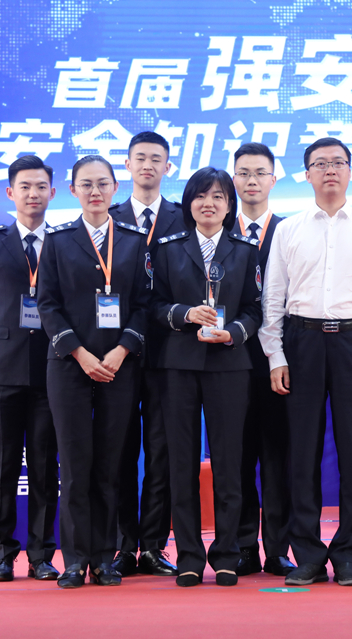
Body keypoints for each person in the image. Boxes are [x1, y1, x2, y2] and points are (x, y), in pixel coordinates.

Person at [260, 137, 352, 587]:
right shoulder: (289, 229)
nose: (330, 170)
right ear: (307, 174)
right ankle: (308, 555)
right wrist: (276, 354)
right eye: (320, 164)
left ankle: (350, 554)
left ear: (350, 172)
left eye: (338, 162)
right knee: (302, 451)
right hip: (302, 341)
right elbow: (273, 297)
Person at [37, 155, 151, 588]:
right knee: (74, 465)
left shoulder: (133, 241)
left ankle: (104, 558)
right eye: (86, 184)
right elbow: (47, 304)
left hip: (119, 367)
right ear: (72, 191)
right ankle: (74, 559)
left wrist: (122, 350)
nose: (95, 191)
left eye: (103, 183)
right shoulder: (58, 239)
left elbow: (144, 304)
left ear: (115, 187)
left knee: (109, 464)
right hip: (69, 366)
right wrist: (79, 353)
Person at [152, 167, 262, 587]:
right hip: (178, 365)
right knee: (181, 463)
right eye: (200, 196)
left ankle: (227, 554)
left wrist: (234, 332)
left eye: (218, 196)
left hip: (229, 365)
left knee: (229, 463)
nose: (208, 203)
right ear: (189, 203)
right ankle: (189, 557)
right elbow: (153, 304)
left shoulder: (246, 250)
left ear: (230, 205)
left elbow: (255, 309)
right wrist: (183, 314)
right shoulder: (167, 248)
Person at [0, 155, 60, 583]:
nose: (33, 194)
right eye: (25, 186)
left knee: (45, 466)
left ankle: (42, 555)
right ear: (10, 193)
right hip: (3, 369)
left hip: (52, 368)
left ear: (52, 193)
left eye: (40, 186)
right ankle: (2, 555)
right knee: (2, 466)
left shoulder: (64, 241)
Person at [109, 131, 183, 578]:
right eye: (140, 158)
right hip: (118, 352)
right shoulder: (108, 217)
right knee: (119, 448)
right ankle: (123, 545)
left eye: (157, 158)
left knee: (162, 451)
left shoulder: (184, 215)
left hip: (171, 352)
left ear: (168, 167)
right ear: (127, 164)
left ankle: (154, 545)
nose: (148, 165)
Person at [230, 143, 297, 577]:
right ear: (233, 179)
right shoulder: (216, 230)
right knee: (236, 458)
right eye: (243, 172)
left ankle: (277, 548)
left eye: (260, 172)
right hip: (228, 361)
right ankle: (241, 546)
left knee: (278, 457)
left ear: (274, 179)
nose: (251, 180)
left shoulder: (293, 230)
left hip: (280, 362)